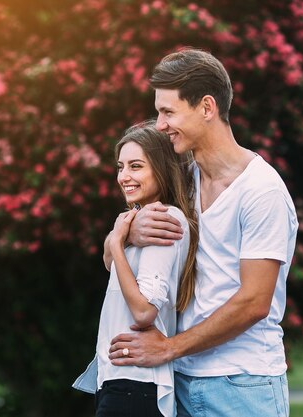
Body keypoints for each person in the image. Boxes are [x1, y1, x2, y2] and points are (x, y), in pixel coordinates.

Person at [105, 48, 298, 417]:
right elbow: (114, 259)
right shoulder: (182, 183)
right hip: (179, 381)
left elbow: (255, 301)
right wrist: (126, 232)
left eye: (168, 112)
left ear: (206, 108)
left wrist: (168, 348)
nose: (160, 125)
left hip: (242, 386)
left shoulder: (261, 191)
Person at [73, 120, 199, 417]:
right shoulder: (140, 217)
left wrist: (118, 242)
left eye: (136, 166)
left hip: (135, 385)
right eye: (121, 167)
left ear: (161, 168)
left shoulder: (162, 219)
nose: (124, 177)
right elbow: (108, 263)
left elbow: (144, 312)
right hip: (122, 381)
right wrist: (121, 236)